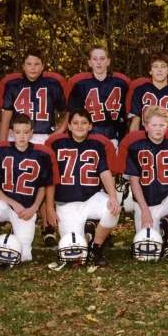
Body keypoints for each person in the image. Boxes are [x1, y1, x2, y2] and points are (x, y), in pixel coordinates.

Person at [0, 114, 58, 266]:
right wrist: (14, 204)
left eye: (26, 132)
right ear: (11, 133)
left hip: (27, 207)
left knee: (24, 256)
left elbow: (42, 187)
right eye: (18, 132)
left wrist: (34, 208)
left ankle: (15, 235)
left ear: (32, 133)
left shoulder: (41, 155)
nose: (22, 136)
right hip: (5, 202)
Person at [118, 106, 168, 261]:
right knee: (146, 253)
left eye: (162, 125)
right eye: (154, 125)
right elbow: (134, 181)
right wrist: (144, 209)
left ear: (167, 125)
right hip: (145, 201)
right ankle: (162, 229)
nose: (158, 129)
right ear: (146, 126)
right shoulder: (135, 146)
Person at [45, 108, 121, 266]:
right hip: (66, 203)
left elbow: (104, 172)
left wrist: (113, 196)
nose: (80, 126)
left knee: (111, 210)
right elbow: (50, 179)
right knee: (73, 251)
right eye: (75, 123)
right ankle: (89, 235)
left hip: (91, 197)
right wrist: (50, 208)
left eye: (84, 123)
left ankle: (96, 247)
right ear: (69, 126)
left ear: (90, 126)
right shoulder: (56, 144)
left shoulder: (97, 144)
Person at [0, 47, 68, 143]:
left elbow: (69, 109)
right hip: (17, 136)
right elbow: (5, 120)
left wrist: (60, 130)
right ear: (23, 66)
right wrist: (3, 145)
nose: (33, 68)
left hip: (43, 136)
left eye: (37, 64)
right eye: (29, 64)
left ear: (43, 66)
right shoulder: (12, 85)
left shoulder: (53, 84)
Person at [67, 46, 130, 147]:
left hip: (115, 138)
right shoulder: (80, 85)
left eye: (102, 58)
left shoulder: (121, 83)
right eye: (95, 59)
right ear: (89, 63)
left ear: (108, 61)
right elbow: (73, 115)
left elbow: (128, 113)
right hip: (88, 138)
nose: (99, 62)